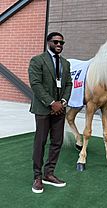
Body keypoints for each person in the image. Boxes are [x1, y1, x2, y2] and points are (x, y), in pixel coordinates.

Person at [28, 32, 72, 193]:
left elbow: (68, 84)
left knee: (57, 142)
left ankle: (49, 173)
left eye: (62, 42)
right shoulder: (37, 60)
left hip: (60, 109)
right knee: (40, 142)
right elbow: (36, 84)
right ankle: (37, 177)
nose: (59, 44)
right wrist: (52, 103)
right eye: (56, 42)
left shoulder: (65, 63)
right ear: (48, 42)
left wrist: (62, 103)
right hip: (43, 109)